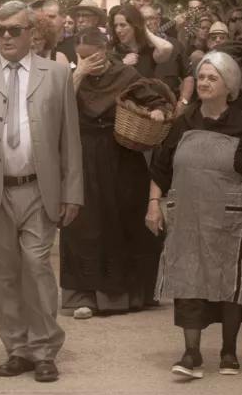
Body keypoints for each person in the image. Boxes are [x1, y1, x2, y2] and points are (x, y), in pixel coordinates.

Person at [0, 1, 83, 383]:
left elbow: (69, 139)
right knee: (0, 272)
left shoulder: (56, 74)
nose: (5, 36)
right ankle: (17, 348)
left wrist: (72, 191)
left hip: (39, 189)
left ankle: (43, 348)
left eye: (14, 30)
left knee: (38, 266)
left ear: (31, 34)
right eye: (0, 30)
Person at [146, 52, 242, 379]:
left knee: (230, 282)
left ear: (228, 85)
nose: (203, 83)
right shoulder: (184, 121)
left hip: (232, 217)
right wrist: (153, 203)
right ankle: (191, 353)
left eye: (211, 78)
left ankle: (229, 351)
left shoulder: (241, 124)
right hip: (187, 216)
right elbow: (161, 167)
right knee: (188, 280)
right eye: (201, 77)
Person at [61, 30, 173, 318]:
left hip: (121, 155)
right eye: (82, 56)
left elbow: (154, 98)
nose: (87, 62)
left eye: (92, 56)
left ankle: (129, 296)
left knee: (123, 223)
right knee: (86, 226)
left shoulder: (125, 74)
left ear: (106, 50)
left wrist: (158, 111)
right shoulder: (72, 77)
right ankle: (84, 296)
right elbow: (56, 109)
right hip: (85, 157)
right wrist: (78, 73)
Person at [144, 6, 194, 109]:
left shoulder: (175, 45)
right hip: (139, 113)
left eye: (151, 19)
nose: (147, 23)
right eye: (143, 20)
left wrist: (183, 102)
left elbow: (188, 76)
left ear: (158, 21)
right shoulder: (133, 48)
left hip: (171, 109)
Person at [110, 4, 173, 78]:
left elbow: (167, 48)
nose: (118, 30)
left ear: (135, 26)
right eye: (116, 26)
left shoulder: (148, 49)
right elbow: (107, 77)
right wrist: (123, 64)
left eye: (123, 25)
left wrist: (145, 31)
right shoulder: (113, 50)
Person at [43, 0, 78, 66]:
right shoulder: (40, 44)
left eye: (51, 17)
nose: (47, 21)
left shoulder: (76, 43)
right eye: (44, 17)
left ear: (63, 18)